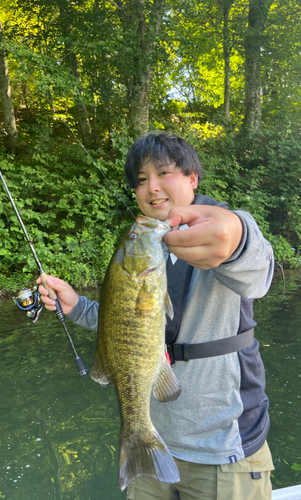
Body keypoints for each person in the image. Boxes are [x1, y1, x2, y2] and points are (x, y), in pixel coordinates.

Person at [37, 131, 275, 500]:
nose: (152, 188)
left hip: (223, 450)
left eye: (164, 173)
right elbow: (132, 328)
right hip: (151, 441)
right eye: (142, 180)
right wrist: (77, 307)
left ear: (192, 178)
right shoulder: (146, 243)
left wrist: (238, 235)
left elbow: (259, 273)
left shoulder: (225, 228)